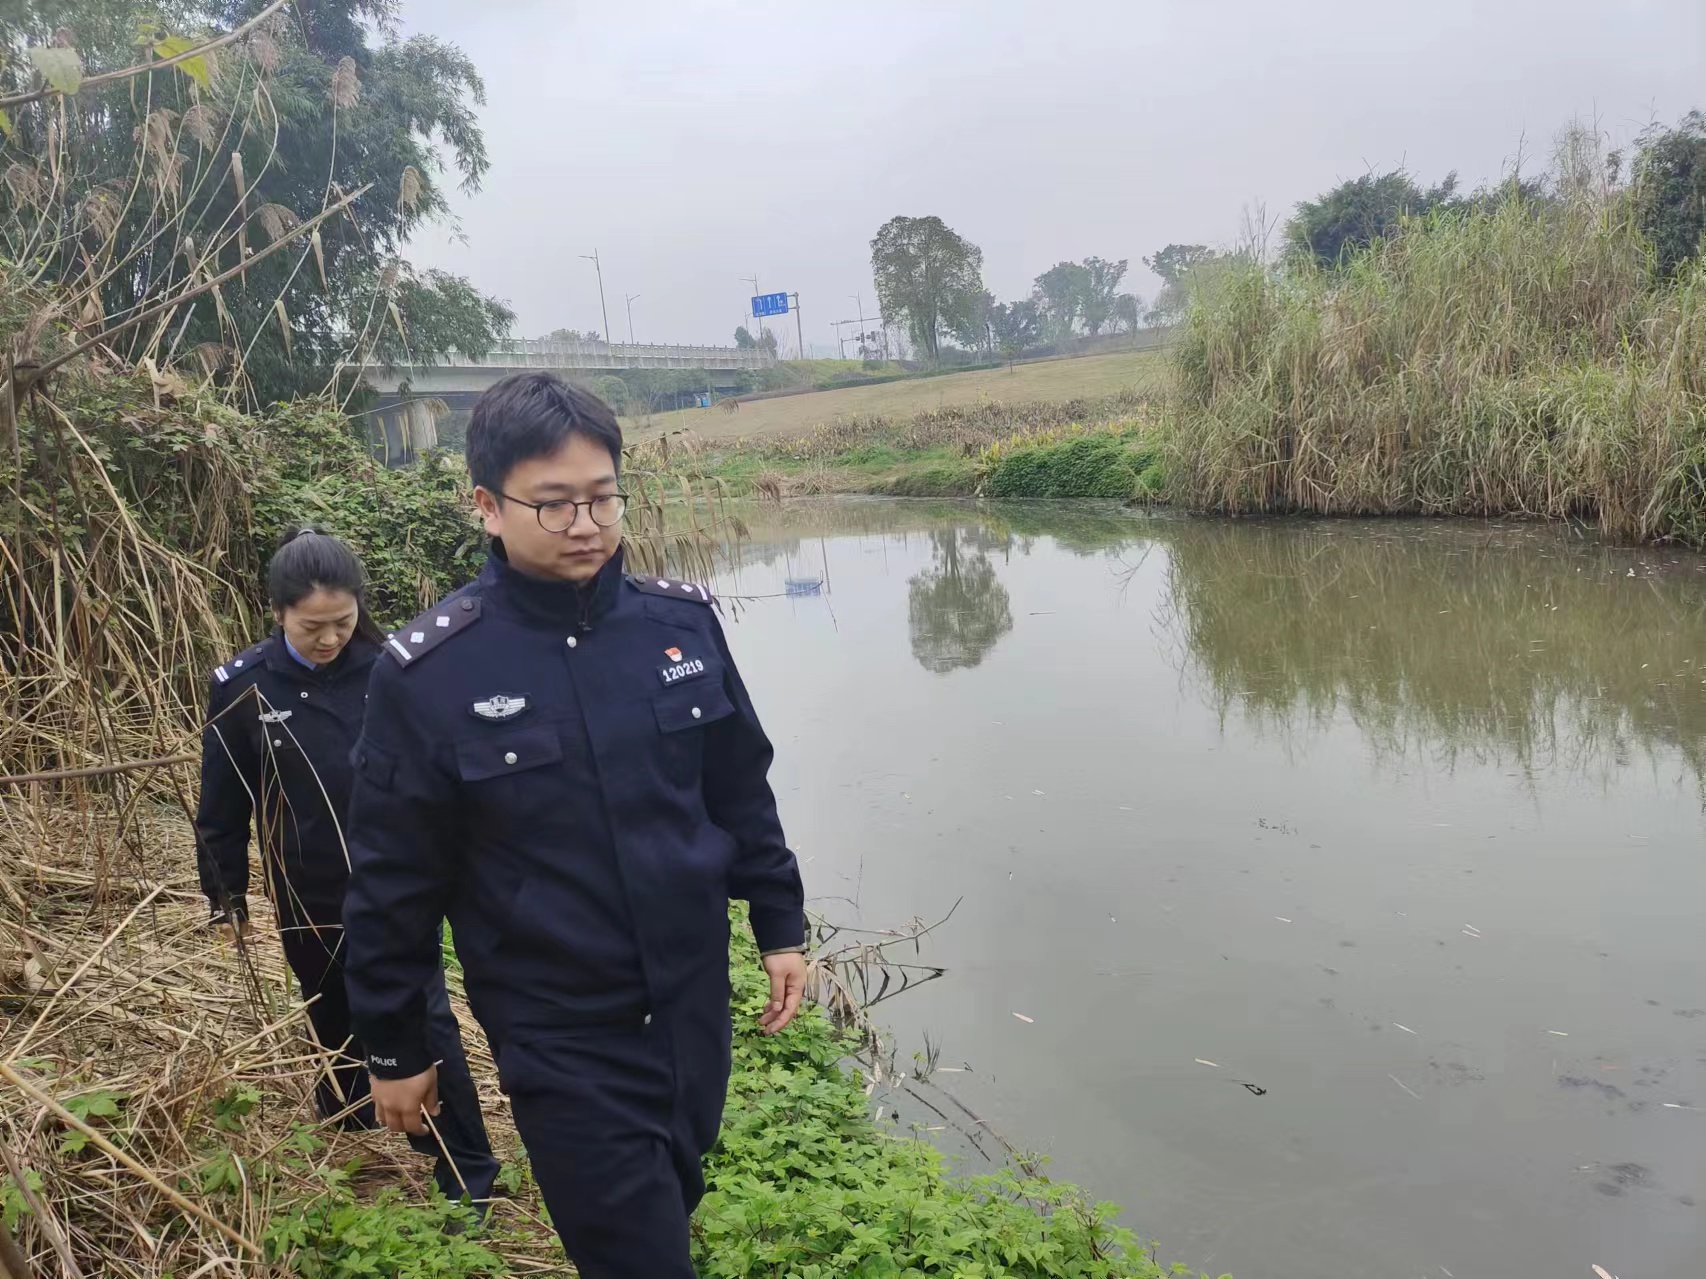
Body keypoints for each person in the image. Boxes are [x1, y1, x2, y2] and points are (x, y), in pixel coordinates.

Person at [342, 372, 807, 1278]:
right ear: (487, 505)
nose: (586, 524)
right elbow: (392, 879)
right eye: (553, 505)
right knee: (636, 1252)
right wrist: (395, 1045)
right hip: (559, 1026)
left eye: (602, 497)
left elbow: (739, 785)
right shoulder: (429, 671)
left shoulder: (682, 626)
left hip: (690, 998)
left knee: (673, 1186)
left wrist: (778, 921)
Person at [194, 528, 499, 1205]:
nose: (330, 639)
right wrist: (227, 897)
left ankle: (466, 1174)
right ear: (277, 613)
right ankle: (348, 1111)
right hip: (308, 891)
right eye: (312, 627)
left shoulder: (395, 672)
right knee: (330, 1009)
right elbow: (222, 806)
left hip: (398, 889)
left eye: (343, 622)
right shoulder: (243, 690)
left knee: (423, 1024)